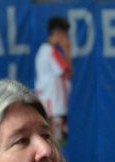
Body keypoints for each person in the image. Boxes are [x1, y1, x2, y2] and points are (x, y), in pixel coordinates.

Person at [34, 16, 71, 144]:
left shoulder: (42, 51)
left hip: (49, 106)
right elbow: (68, 73)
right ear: (59, 34)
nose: (67, 39)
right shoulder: (51, 52)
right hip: (55, 107)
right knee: (56, 144)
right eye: (66, 35)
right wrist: (67, 49)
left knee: (53, 144)